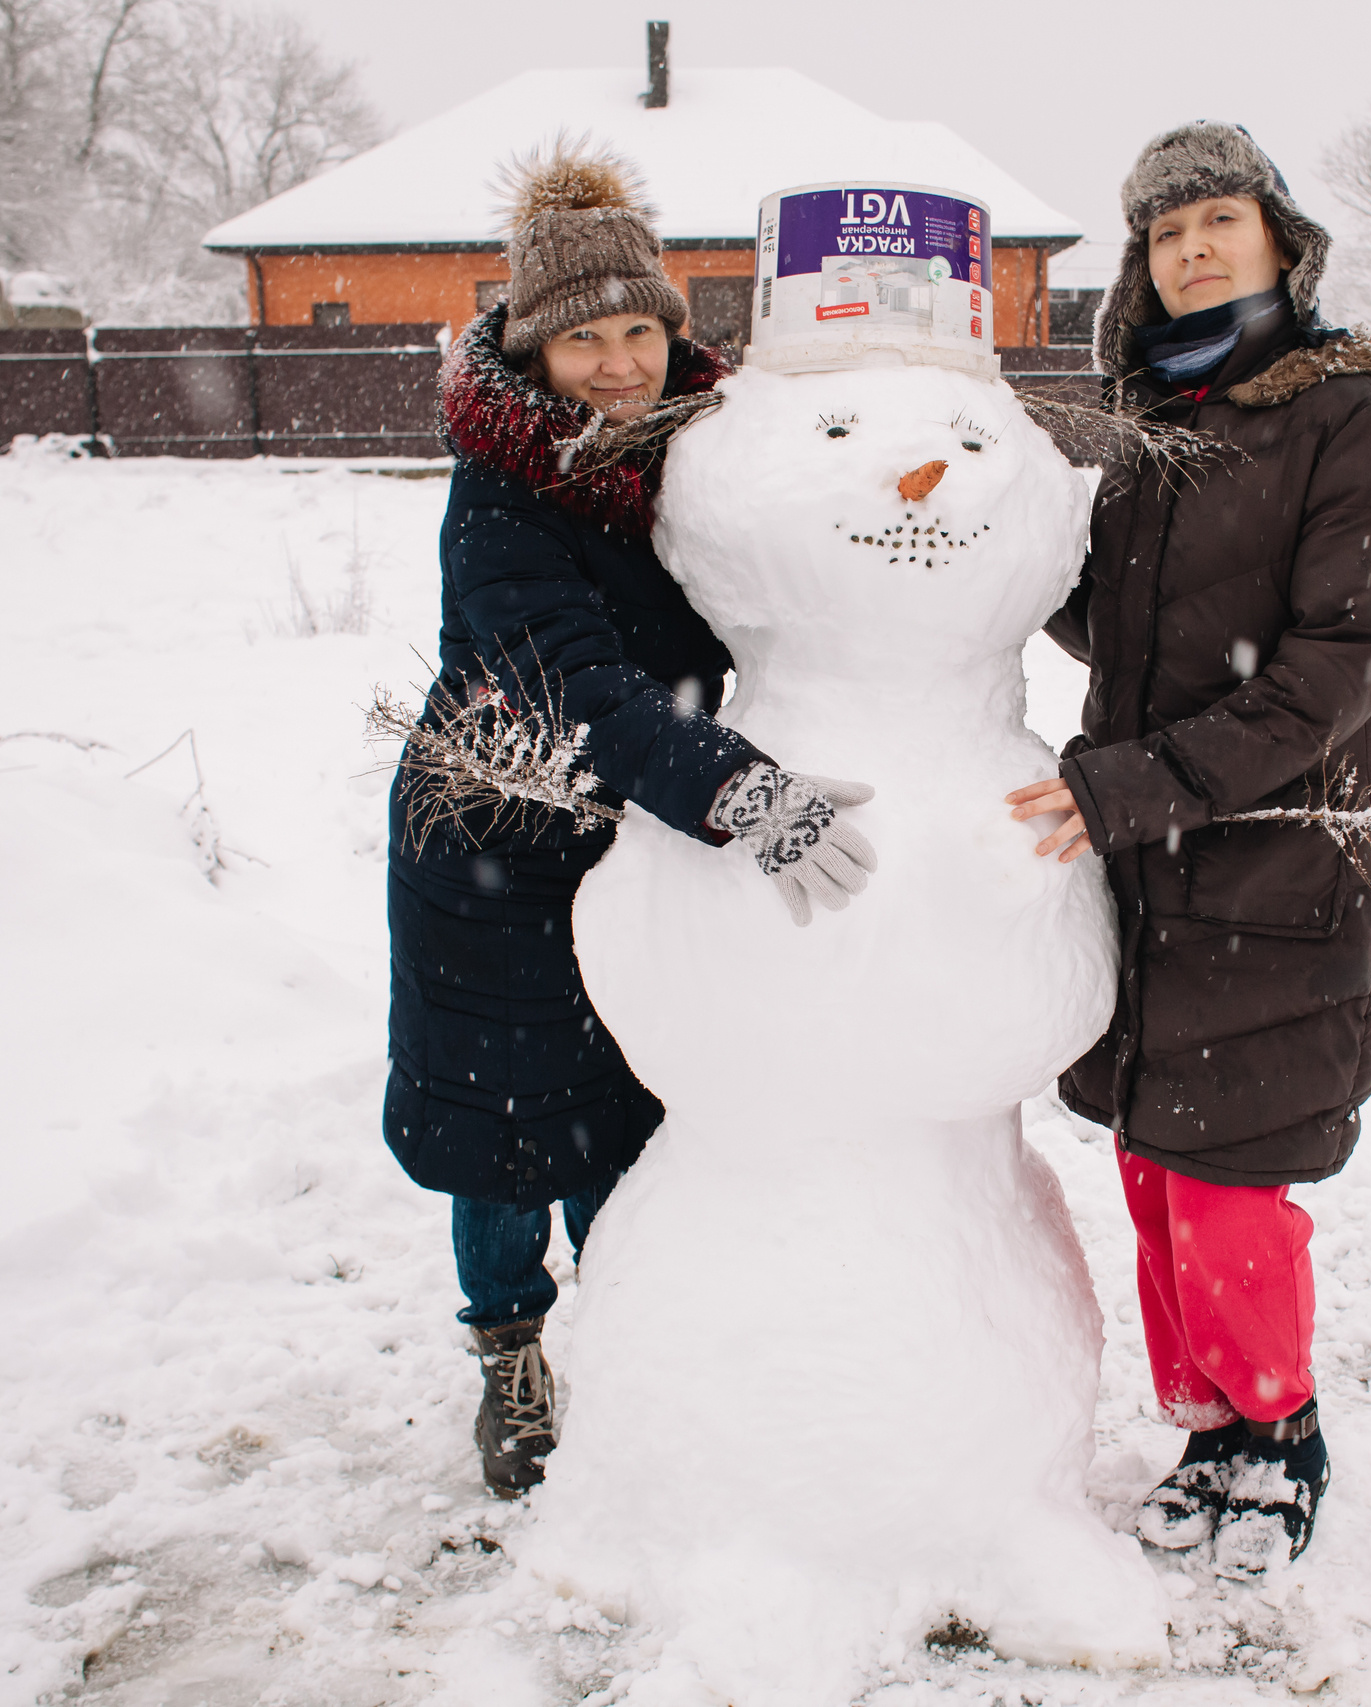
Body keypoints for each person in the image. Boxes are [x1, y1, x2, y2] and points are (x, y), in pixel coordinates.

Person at [386, 141, 876, 1495]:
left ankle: (642, 1337)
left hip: (633, 843)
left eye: (637, 332)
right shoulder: (504, 492)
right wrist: (744, 792)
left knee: (621, 1110)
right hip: (488, 842)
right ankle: (511, 1347)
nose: (616, 364)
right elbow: (576, 686)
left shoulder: (700, 456)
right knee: (497, 1133)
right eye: (583, 341)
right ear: (533, 355)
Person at [1006, 122, 1371, 1576]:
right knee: (1152, 1165)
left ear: (1278, 242)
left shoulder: (1349, 419)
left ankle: (1283, 1429)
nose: (1193, 250)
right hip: (1152, 862)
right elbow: (1120, 630)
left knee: (1230, 1181)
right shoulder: (1153, 424)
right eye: (1167, 231)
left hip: (1281, 861)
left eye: (1218, 222)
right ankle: (1207, 1427)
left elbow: (1336, 669)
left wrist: (1145, 782)